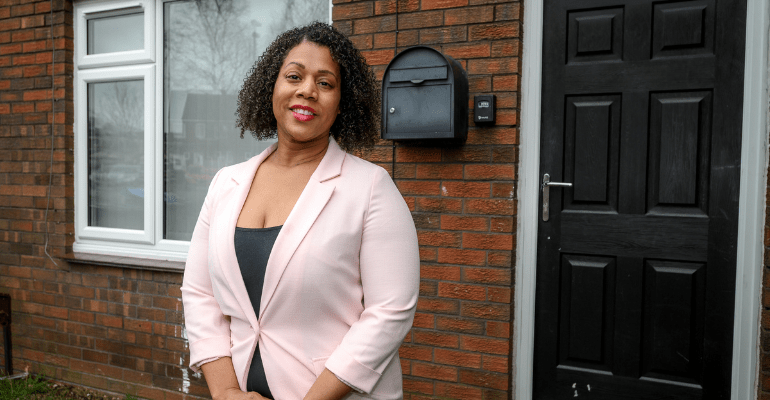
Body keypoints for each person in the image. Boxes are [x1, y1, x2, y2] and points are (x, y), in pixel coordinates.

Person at [181, 22, 420, 400]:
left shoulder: (370, 188)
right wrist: (225, 391)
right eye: (294, 76)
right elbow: (199, 294)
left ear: (342, 103)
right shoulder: (226, 183)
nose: (307, 90)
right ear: (271, 87)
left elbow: (390, 312)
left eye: (325, 83)